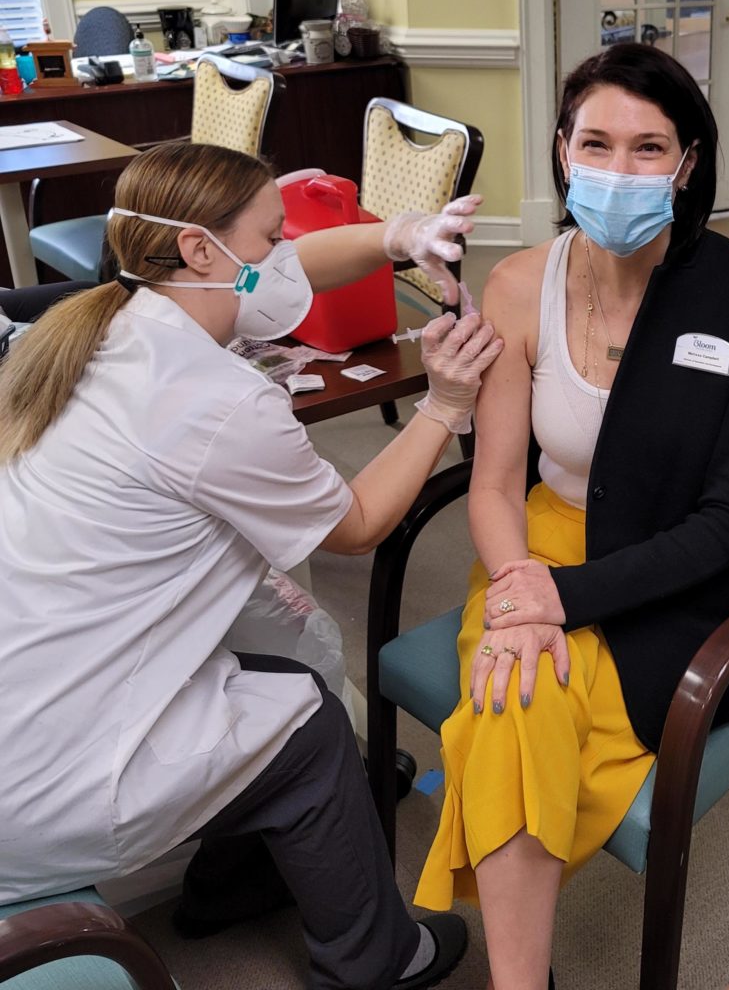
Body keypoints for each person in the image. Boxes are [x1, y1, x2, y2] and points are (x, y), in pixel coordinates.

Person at [0, 140, 503, 990]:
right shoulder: (215, 399)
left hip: (29, 701)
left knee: (266, 675)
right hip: (52, 779)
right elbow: (357, 526)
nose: (283, 252)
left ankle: (228, 886)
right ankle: (375, 961)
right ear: (201, 249)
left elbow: (290, 264)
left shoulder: (101, 324)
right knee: (307, 722)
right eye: (268, 238)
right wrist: (444, 405)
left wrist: (397, 236)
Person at [413, 43, 729, 989]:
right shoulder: (517, 286)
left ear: (688, 164)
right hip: (536, 545)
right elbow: (497, 484)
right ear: (561, 151)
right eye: (596, 143)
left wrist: (564, 600)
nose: (618, 171)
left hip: (678, 571)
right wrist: (520, 589)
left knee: (510, 702)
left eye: (648, 149)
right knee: (517, 691)